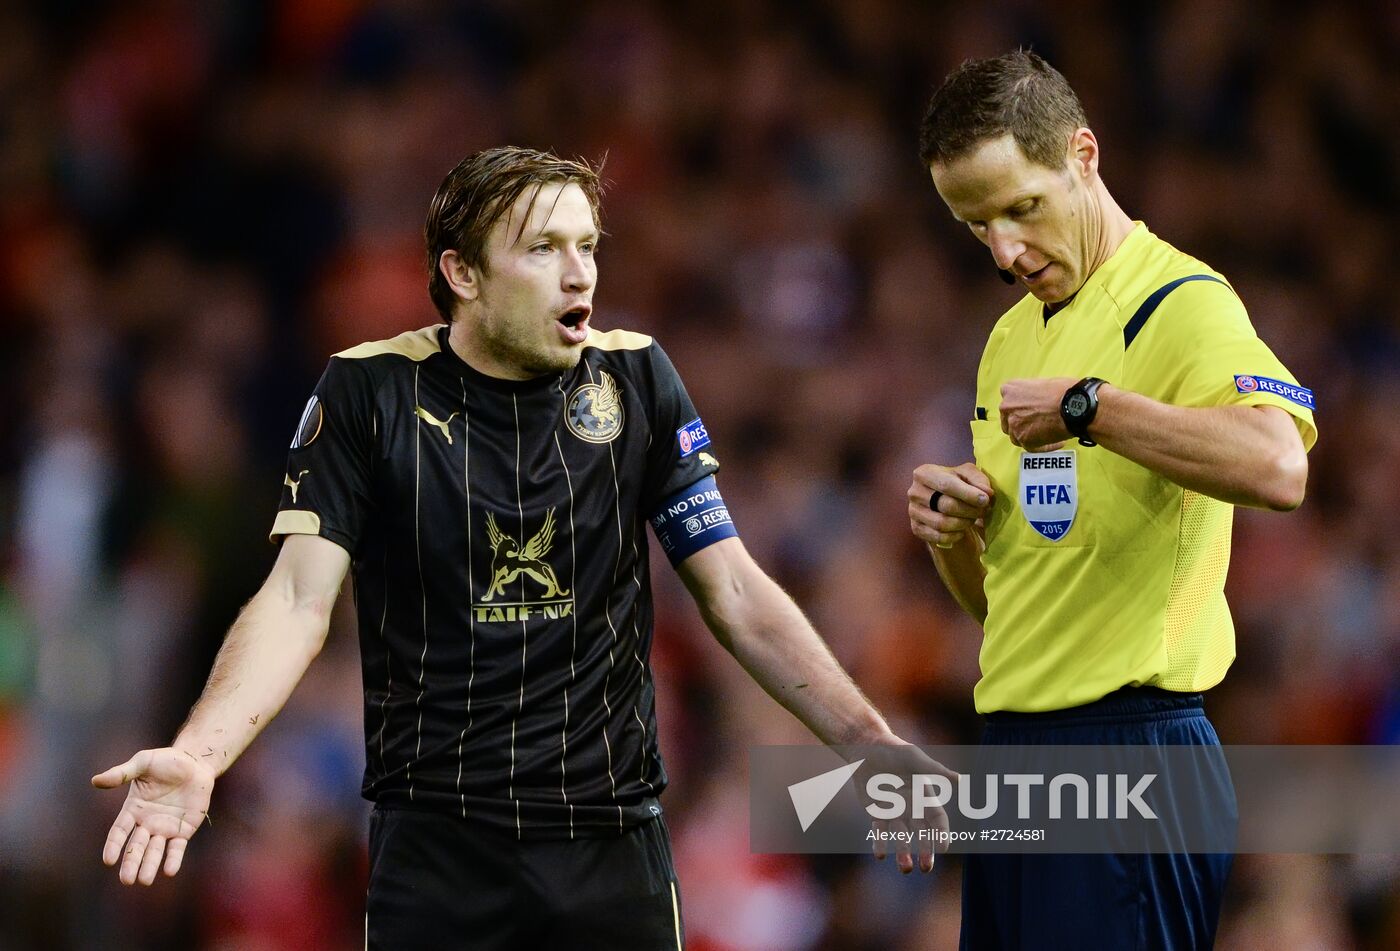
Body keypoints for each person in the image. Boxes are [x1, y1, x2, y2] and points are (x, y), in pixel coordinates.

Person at [93, 146, 929, 949]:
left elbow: (733, 589)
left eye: (587, 246)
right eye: (543, 249)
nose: (580, 273)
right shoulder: (368, 393)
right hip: (438, 852)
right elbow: (297, 597)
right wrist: (202, 753)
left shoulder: (636, 380)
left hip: (611, 842)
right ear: (463, 275)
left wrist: (862, 734)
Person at [908, 51, 1316, 949]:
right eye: (976, 225)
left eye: (1022, 208)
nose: (1005, 250)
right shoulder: (1010, 338)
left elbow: (1280, 466)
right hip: (1016, 754)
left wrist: (1094, 406)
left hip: (1132, 753)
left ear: (1083, 155)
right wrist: (952, 538)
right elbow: (1008, 607)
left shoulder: (1182, 301)